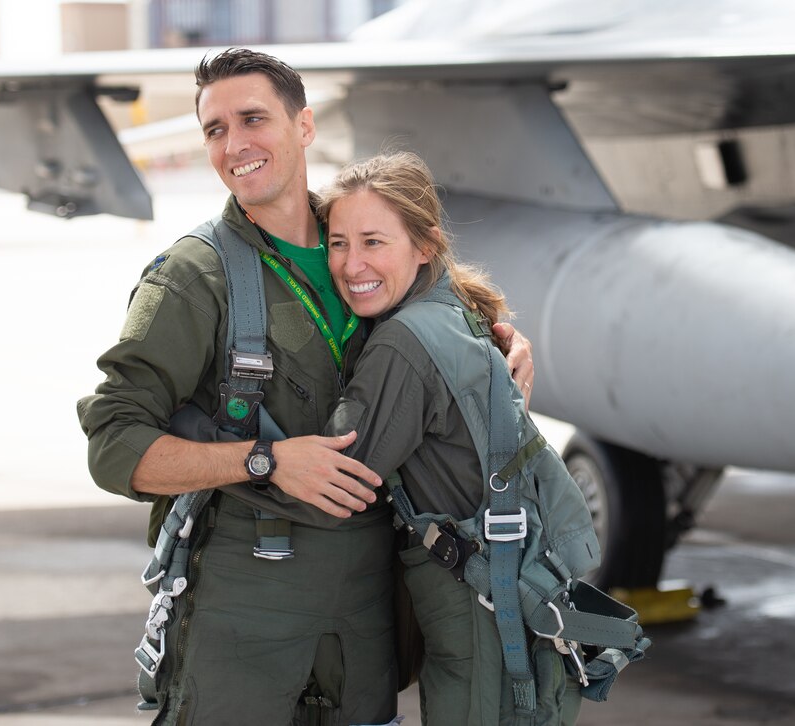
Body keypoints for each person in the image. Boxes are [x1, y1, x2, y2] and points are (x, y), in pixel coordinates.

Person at [76, 48, 534, 726]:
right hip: (247, 595)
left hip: (368, 599)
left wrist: (499, 342)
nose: (235, 145)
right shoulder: (192, 279)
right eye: (215, 129)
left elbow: (445, 301)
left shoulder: (363, 238)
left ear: (304, 127)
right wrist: (262, 460)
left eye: (253, 118)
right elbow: (113, 444)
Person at [317, 151, 585, 725]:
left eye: (373, 241)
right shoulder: (453, 310)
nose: (351, 263)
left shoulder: (402, 345)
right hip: (507, 591)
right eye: (338, 243)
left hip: (477, 612)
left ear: (426, 244)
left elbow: (333, 479)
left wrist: (239, 453)